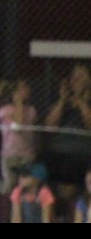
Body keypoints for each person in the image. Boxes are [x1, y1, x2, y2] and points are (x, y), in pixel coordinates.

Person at [42, 62, 91, 207]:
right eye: (74, 76)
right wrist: (63, 99)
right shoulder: (62, 101)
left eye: (81, 76)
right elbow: (50, 125)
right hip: (58, 150)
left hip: (83, 151)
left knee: (71, 169)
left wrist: (81, 101)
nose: (76, 80)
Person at [0, 78, 39, 195]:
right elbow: (17, 127)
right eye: (22, 88)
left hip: (27, 153)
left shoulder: (31, 110)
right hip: (10, 154)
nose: (26, 90)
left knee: (25, 187)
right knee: (10, 185)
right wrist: (18, 103)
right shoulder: (5, 110)